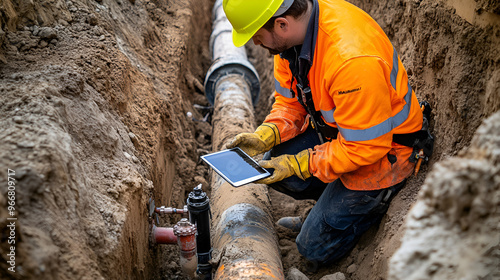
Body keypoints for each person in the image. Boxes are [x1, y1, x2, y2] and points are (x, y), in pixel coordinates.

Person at [223, 0, 427, 267]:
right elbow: (290, 103)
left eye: (257, 38)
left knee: (312, 249)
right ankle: (329, 205)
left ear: (282, 24)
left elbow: (365, 147)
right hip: (344, 135)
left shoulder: (349, 60)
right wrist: (267, 134)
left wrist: (302, 163)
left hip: (386, 153)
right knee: (273, 161)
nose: (258, 45)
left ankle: (369, 210)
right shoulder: (294, 41)